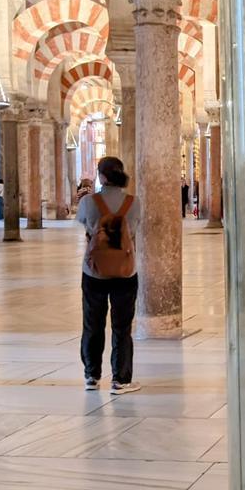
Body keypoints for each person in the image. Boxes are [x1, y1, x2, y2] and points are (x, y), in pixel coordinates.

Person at [77, 157, 142, 395]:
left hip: (94, 271)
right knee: (122, 326)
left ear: (101, 177)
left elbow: (86, 226)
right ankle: (120, 380)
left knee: (92, 324)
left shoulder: (88, 202)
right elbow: (134, 230)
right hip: (125, 270)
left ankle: (91, 376)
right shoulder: (134, 203)